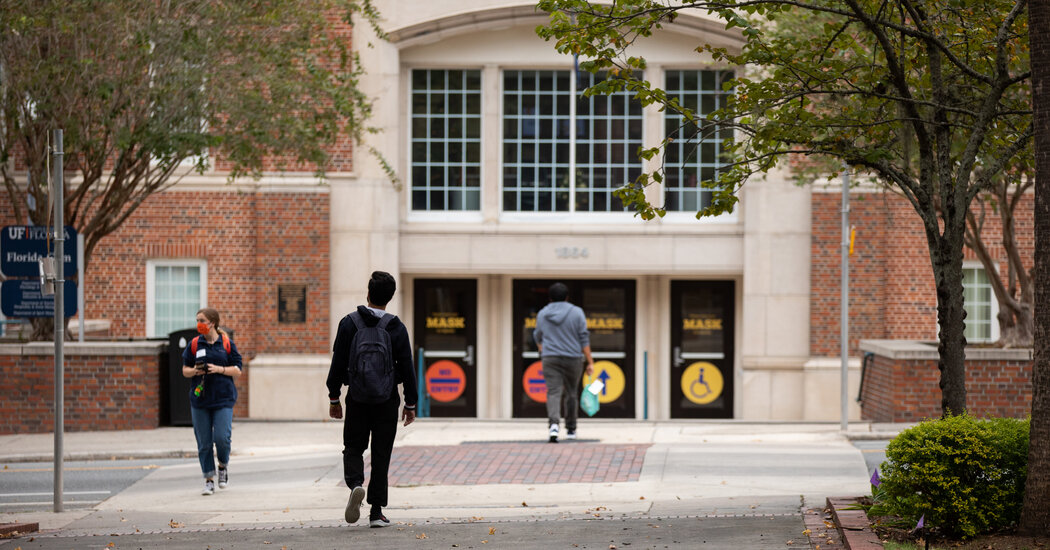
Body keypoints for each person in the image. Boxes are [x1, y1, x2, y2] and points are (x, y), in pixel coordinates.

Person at [327, 271, 418, 528]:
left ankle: (356, 484)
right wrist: (410, 403)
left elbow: (338, 364)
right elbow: (408, 369)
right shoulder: (395, 327)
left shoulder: (349, 324)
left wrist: (335, 397)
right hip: (387, 399)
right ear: (390, 298)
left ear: (368, 294)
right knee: (381, 454)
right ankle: (376, 512)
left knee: (354, 447)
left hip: (357, 397)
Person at [181, 307, 243, 495]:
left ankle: (223, 466)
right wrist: (195, 371)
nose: (199, 324)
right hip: (200, 400)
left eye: (202, 320)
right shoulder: (194, 344)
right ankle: (208, 479)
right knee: (204, 442)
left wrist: (219, 369)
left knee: (222, 438)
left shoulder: (226, 343)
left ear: (212, 323)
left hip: (223, 398)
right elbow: (185, 370)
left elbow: (238, 369)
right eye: (197, 320)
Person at [533, 282, 594, 443]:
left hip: (550, 357)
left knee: (553, 392)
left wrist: (542, 350)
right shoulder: (576, 312)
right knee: (572, 393)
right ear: (567, 297)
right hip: (573, 358)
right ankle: (571, 429)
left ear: (550, 297)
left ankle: (553, 426)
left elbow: (537, 335)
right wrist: (590, 361)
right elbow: (583, 338)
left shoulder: (543, 313)